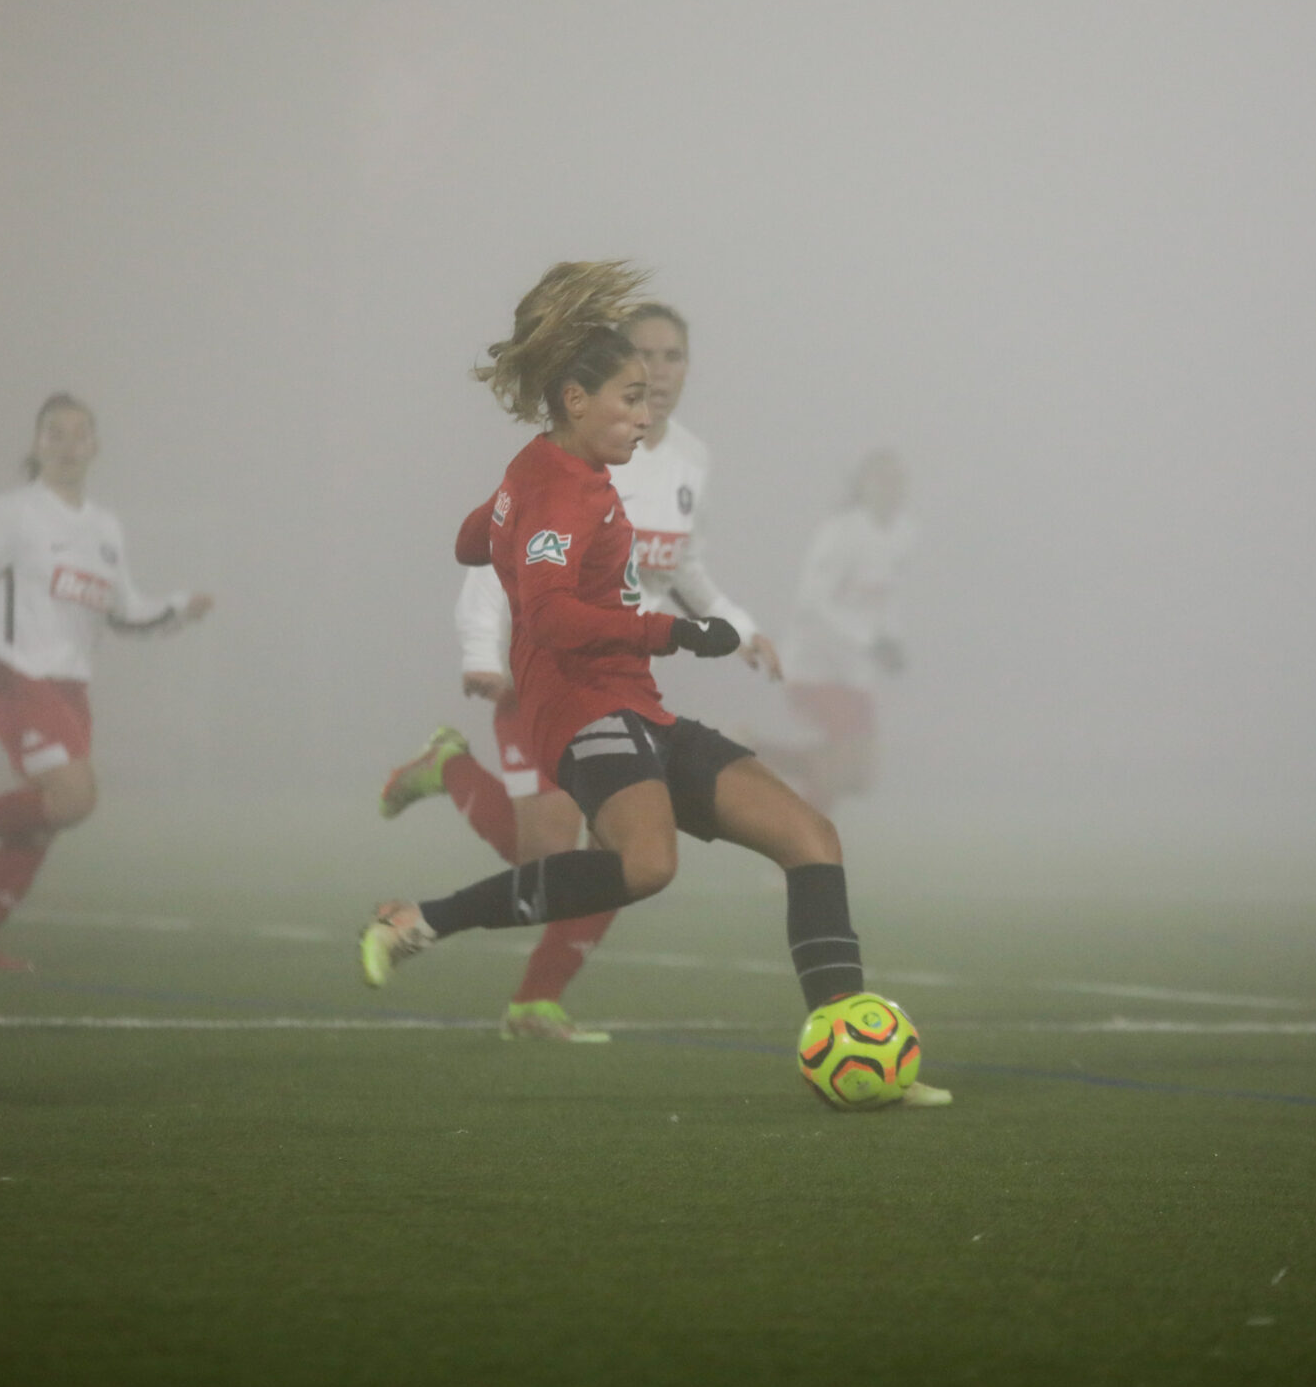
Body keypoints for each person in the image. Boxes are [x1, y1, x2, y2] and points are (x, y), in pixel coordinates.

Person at [358, 261, 946, 1107]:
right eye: (629, 398)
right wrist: (672, 628)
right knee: (644, 864)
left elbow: (468, 539)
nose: (644, 414)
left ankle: (847, 1050)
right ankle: (418, 922)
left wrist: (507, 516)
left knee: (811, 837)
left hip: (635, 703)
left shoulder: (558, 475)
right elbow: (555, 618)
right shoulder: (566, 493)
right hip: (581, 707)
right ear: (574, 401)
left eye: (650, 393)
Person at [378, 303, 779, 1043]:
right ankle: (451, 771)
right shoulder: (570, 458)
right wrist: (480, 650)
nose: (659, 372)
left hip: (621, 679)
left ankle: (536, 998)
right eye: (646, 356)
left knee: (620, 854)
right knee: (550, 853)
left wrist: (740, 625)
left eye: (674, 356)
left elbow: (682, 564)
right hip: (549, 673)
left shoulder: (687, 458)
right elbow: (508, 554)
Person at [0, 394, 214, 971]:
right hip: (16, 675)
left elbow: (125, 612)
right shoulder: (14, 513)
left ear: (95, 447)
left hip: (72, 690)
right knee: (74, 799)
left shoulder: (104, 528)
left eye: (80, 435)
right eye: (55, 433)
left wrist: (178, 609)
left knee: (43, 819)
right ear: (36, 444)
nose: (68, 445)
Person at [755, 451, 914, 812]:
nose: (890, 488)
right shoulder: (841, 532)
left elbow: (887, 597)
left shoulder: (904, 533)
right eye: (881, 479)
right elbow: (811, 602)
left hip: (854, 669)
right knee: (837, 760)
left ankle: (751, 752)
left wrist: (893, 639)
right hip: (814, 663)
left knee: (860, 776)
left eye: (897, 480)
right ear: (862, 485)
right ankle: (804, 856)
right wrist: (869, 641)